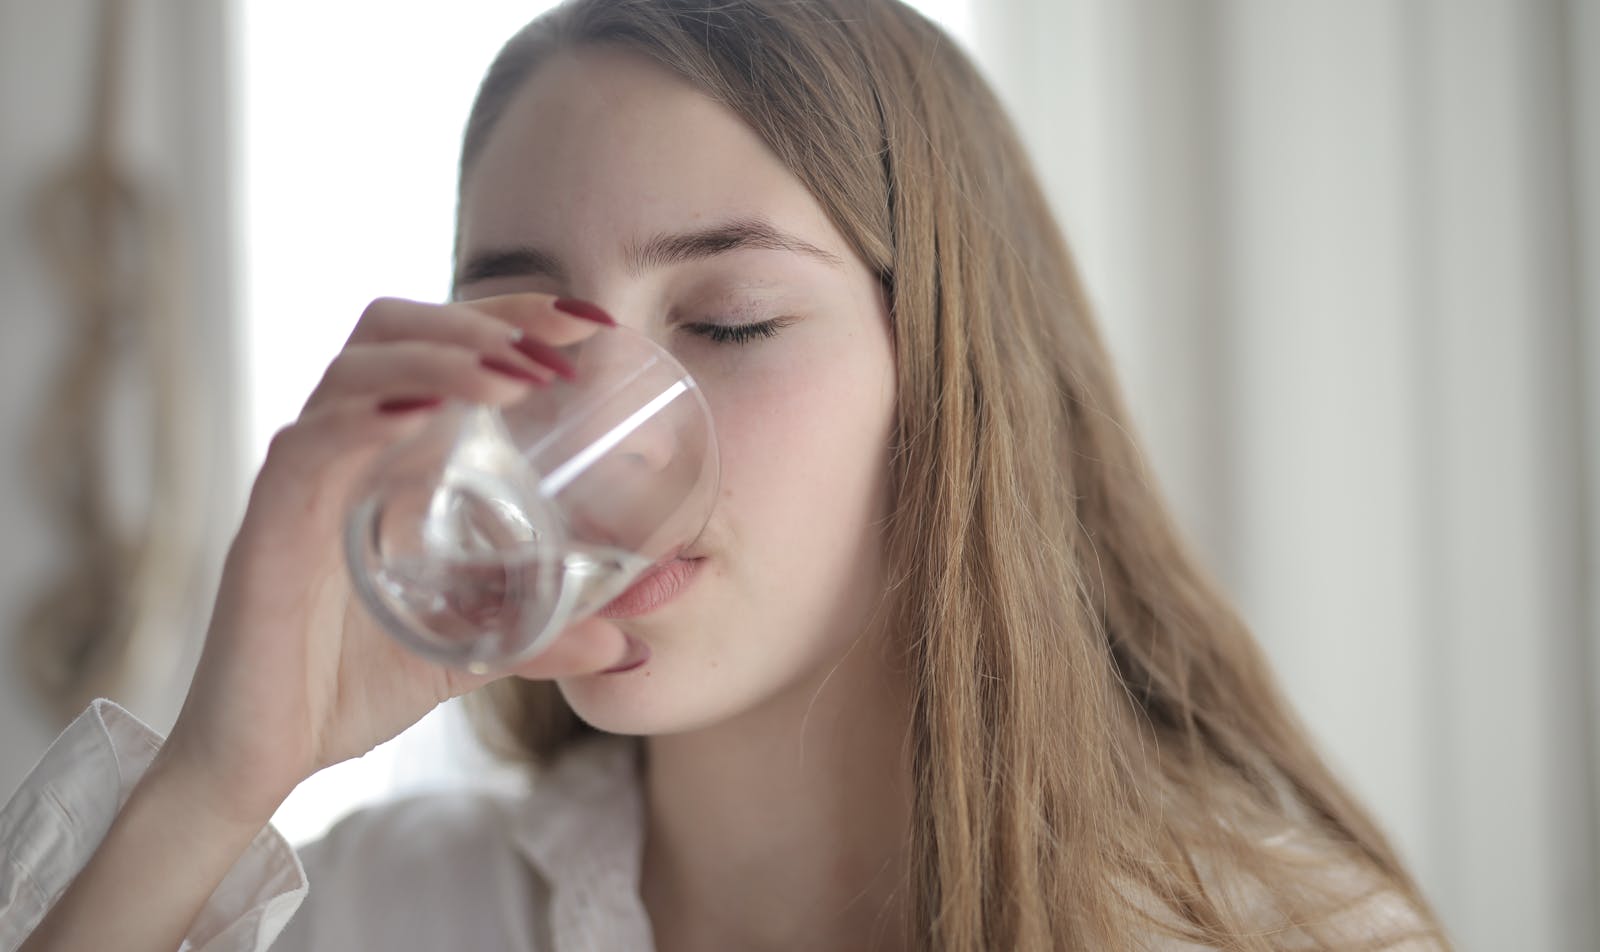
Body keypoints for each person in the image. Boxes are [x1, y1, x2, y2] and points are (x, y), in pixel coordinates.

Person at [4, 1, 1453, 949]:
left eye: (731, 322)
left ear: (951, 377)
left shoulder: (1272, 935)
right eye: (521, 336)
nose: (607, 428)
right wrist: (213, 782)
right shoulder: (391, 908)